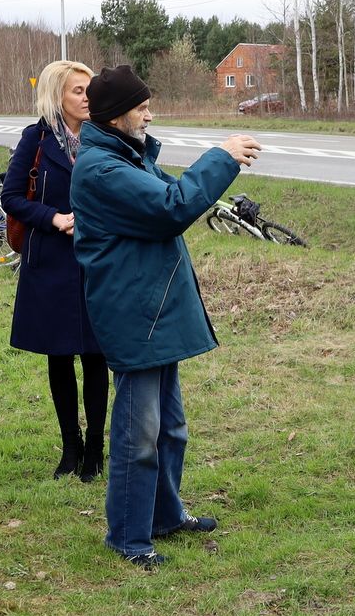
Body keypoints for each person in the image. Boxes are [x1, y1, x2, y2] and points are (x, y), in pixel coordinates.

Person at [70, 65, 261, 568]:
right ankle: (129, 537)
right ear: (114, 117)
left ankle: (164, 515)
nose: (150, 113)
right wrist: (220, 158)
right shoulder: (102, 169)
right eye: (142, 106)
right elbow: (173, 207)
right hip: (136, 316)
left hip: (154, 311)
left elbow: (172, 200)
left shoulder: (126, 155)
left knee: (170, 430)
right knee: (139, 438)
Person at [2, 60, 110, 481]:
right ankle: (71, 447)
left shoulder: (105, 136)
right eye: (77, 91)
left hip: (96, 259)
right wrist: (53, 218)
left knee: (96, 355)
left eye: (89, 90)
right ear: (57, 97)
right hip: (49, 258)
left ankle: (96, 451)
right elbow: (11, 196)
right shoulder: (36, 138)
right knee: (60, 356)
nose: (87, 98)